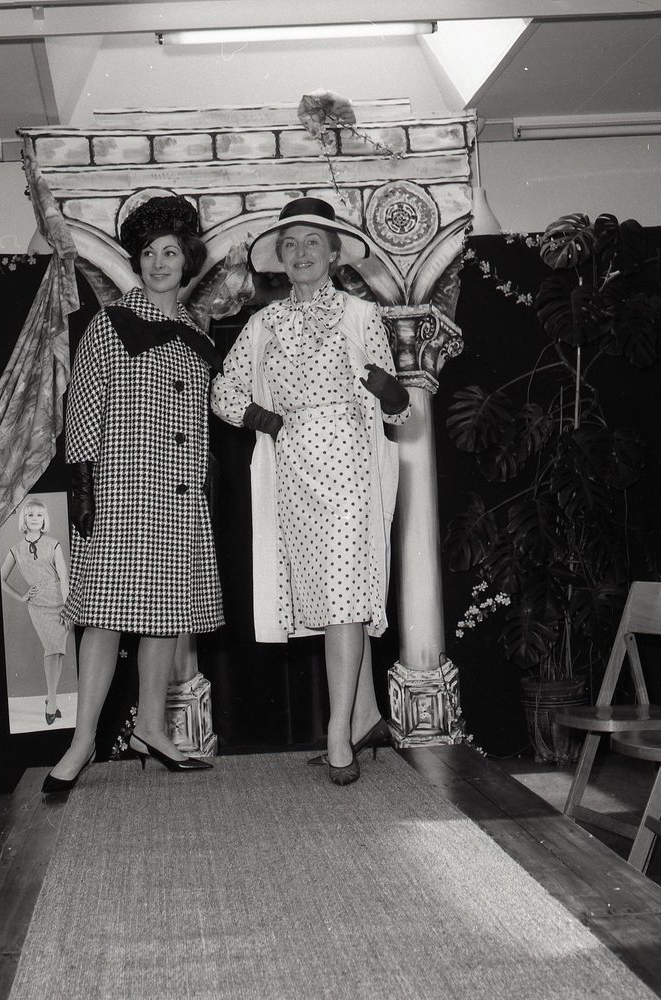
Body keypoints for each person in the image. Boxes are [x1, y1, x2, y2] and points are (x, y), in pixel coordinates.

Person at [211, 197, 410, 786]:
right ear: (280, 258)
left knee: (346, 594)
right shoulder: (263, 323)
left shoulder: (361, 315)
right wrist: (264, 419)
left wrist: (391, 392)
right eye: (290, 244)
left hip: (350, 465)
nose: (301, 253)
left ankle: (337, 732)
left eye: (312, 243)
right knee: (328, 600)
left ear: (334, 253)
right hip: (293, 471)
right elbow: (222, 393)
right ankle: (366, 716)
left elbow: (396, 412)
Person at [42, 194, 224, 794]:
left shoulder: (196, 335)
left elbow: (198, 422)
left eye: (170, 252)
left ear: (187, 260)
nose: (158, 263)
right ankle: (82, 742)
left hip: (179, 499)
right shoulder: (110, 322)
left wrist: (199, 483)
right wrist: (84, 487)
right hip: (121, 493)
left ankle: (151, 728)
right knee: (102, 619)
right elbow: (83, 407)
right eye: (149, 253)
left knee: (165, 618)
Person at [0, 497, 69, 725]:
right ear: (24, 519)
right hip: (38, 607)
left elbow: (64, 578)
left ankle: (51, 697)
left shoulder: (54, 544)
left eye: (39, 515)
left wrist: (68, 608)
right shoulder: (16, 550)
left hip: (60, 605)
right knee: (51, 649)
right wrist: (21, 596)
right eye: (30, 515)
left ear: (44, 519)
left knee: (58, 652)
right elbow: (0, 579)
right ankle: (51, 701)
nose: (35, 519)